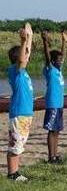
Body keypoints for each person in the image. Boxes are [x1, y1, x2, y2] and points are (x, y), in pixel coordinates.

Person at [7, 23, 33, 181]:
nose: (27, 57)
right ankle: (12, 173)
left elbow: (26, 56)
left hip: (25, 113)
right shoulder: (15, 71)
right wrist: (24, 41)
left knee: (19, 144)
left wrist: (30, 37)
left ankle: (15, 172)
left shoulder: (22, 71)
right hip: (19, 114)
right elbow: (23, 58)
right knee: (15, 144)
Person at [41, 30, 67, 163]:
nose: (61, 61)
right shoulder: (50, 69)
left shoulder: (58, 70)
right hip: (52, 104)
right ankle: (50, 157)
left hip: (59, 105)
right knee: (52, 131)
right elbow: (47, 56)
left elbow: (62, 55)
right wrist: (45, 41)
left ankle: (55, 155)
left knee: (57, 130)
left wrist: (64, 41)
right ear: (52, 61)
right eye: (58, 60)